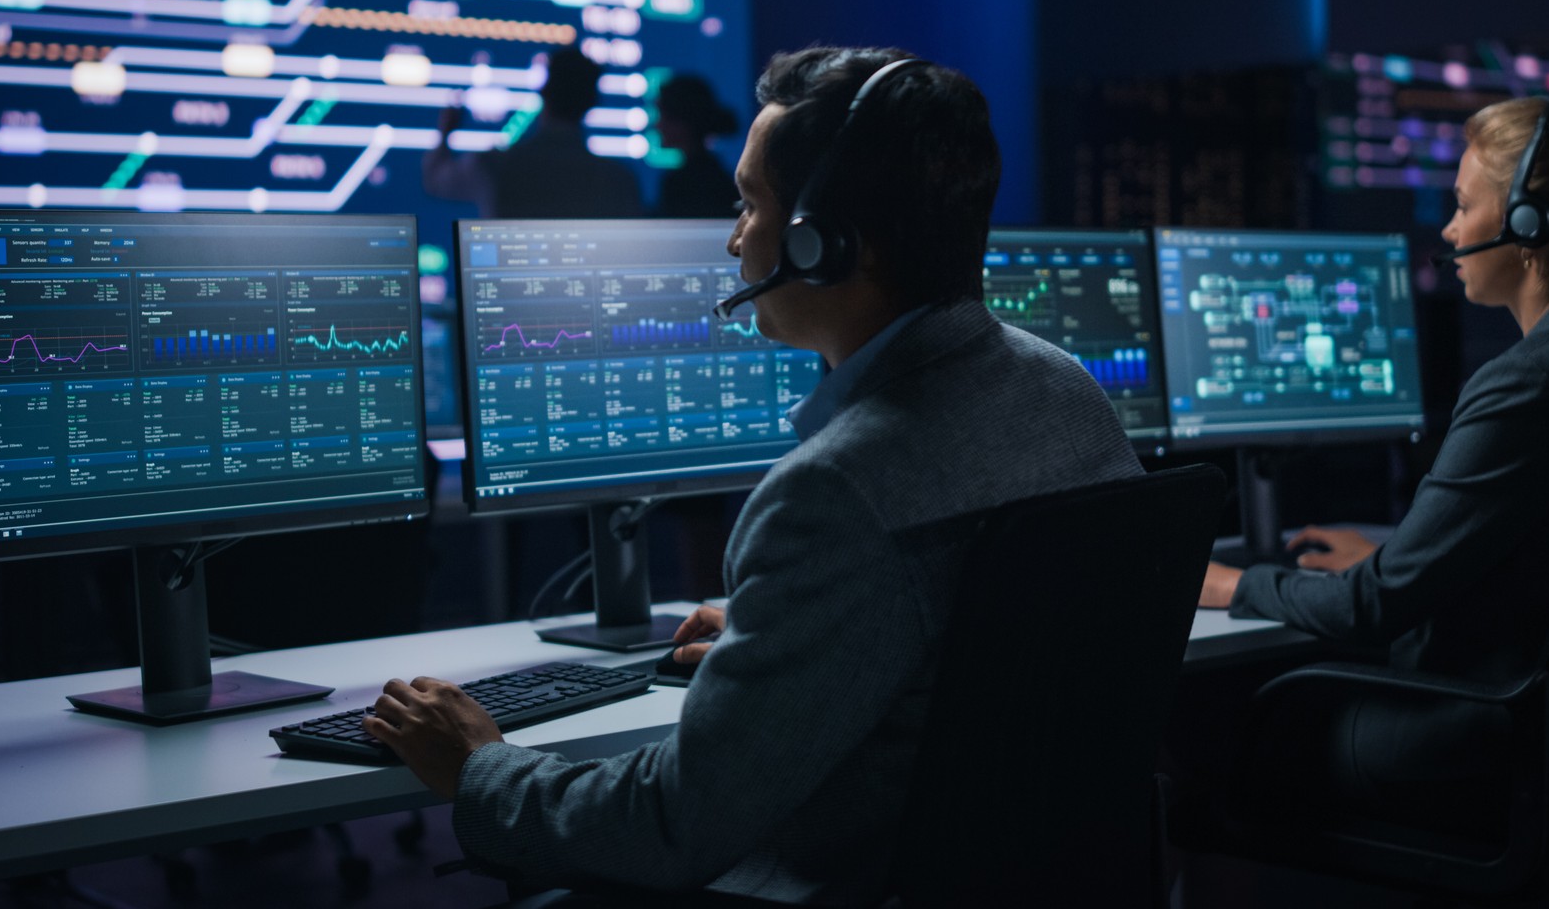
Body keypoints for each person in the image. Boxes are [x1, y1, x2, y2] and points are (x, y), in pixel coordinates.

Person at [362, 46, 1145, 902]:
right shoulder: (1066, 390)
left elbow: (672, 826)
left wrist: (480, 765)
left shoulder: (836, 491)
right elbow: (992, 629)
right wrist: (798, 626)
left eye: (750, 205)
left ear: (824, 244)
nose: (735, 238)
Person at [1196, 96, 1549, 828]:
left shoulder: (1527, 384)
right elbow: (1540, 558)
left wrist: (1236, 583)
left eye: (1464, 205)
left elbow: (1371, 610)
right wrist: (1390, 556)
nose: (1447, 228)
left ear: (1528, 227)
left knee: (1198, 738)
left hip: (1465, 741)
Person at [425, 45, 642, 218]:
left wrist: (445, 132)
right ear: (592, 101)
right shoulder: (619, 181)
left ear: (543, 92)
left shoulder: (493, 166)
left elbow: (435, 181)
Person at [651, 73, 740, 218]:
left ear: (686, 121)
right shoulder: (719, 178)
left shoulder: (683, 184)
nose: (658, 125)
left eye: (665, 116)